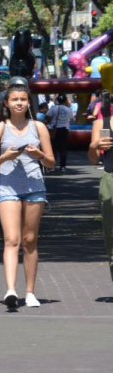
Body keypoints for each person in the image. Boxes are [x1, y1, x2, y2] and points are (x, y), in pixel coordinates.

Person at [0, 83, 54, 308]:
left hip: (35, 187)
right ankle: (11, 289)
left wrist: (39, 154)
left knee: (29, 240)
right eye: (15, 99)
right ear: (6, 103)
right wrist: (4, 157)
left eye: (23, 99)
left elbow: (51, 163)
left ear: (28, 102)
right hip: (7, 188)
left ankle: (30, 292)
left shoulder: (38, 127)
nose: (19, 103)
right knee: (11, 239)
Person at [88, 92, 113, 282]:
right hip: (110, 179)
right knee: (111, 235)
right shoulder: (102, 124)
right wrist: (94, 145)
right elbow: (93, 159)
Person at [45, 93, 73, 172]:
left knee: (53, 148)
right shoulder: (68, 109)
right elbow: (71, 118)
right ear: (65, 101)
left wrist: (50, 121)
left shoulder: (53, 108)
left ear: (57, 100)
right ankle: (63, 166)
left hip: (54, 130)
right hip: (64, 129)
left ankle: (52, 166)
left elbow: (47, 116)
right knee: (63, 149)